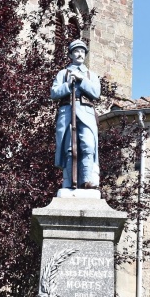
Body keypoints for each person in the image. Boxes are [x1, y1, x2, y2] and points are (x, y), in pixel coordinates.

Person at [51, 39, 101, 189]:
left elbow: (96, 93)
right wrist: (68, 84)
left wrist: (82, 80)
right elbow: (54, 92)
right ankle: (67, 182)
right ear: (71, 55)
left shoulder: (91, 75)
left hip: (86, 112)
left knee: (88, 145)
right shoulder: (63, 73)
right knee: (69, 148)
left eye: (82, 52)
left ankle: (86, 180)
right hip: (67, 112)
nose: (79, 54)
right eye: (76, 51)